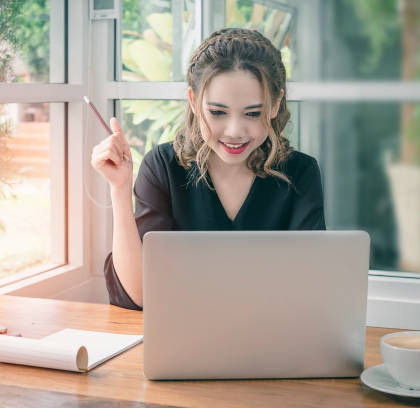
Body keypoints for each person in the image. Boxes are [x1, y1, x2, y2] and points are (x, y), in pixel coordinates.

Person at [91, 28, 325, 311]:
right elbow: (140, 294)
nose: (235, 131)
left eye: (253, 113)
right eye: (217, 112)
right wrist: (119, 188)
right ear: (194, 102)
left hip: (272, 340)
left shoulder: (300, 172)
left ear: (275, 104)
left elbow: (308, 290)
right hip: (183, 340)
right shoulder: (163, 166)